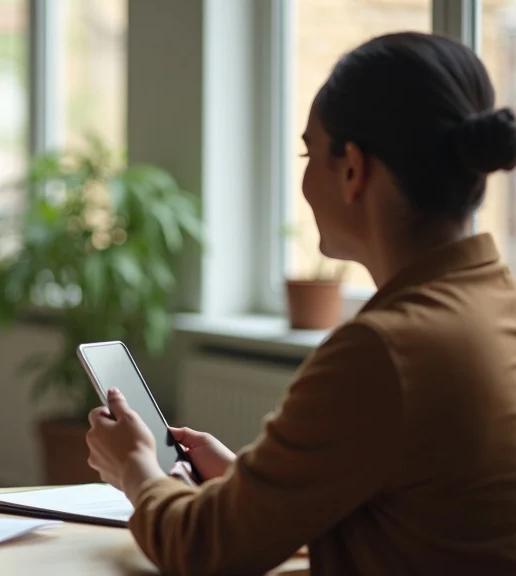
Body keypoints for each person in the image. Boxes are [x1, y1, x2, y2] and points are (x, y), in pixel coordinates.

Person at [86, 32, 516, 574]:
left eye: (309, 152)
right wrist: (249, 482)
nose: (306, 177)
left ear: (353, 170)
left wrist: (134, 467)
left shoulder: (384, 350)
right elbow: (418, 508)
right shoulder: (495, 304)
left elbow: (200, 549)